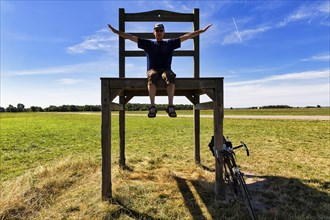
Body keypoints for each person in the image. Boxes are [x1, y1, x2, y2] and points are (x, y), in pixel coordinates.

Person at [107, 23, 212, 118]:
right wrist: (116, 32)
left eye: (161, 30)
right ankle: (152, 106)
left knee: (170, 76)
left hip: (166, 70)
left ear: (164, 32)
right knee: (152, 76)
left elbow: (187, 36)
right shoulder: (148, 44)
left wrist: (201, 31)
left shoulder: (170, 43)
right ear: (153, 32)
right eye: (157, 30)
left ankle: (170, 106)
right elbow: (131, 37)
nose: (159, 32)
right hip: (153, 70)